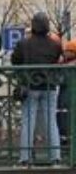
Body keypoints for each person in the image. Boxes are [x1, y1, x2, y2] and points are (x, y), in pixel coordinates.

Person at [11, 12, 63, 167]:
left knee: (28, 122)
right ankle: (55, 157)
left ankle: (25, 158)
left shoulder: (23, 43)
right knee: (51, 122)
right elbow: (58, 58)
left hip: (30, 86)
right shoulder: (55, 44)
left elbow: (15, 60)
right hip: (49, 86)